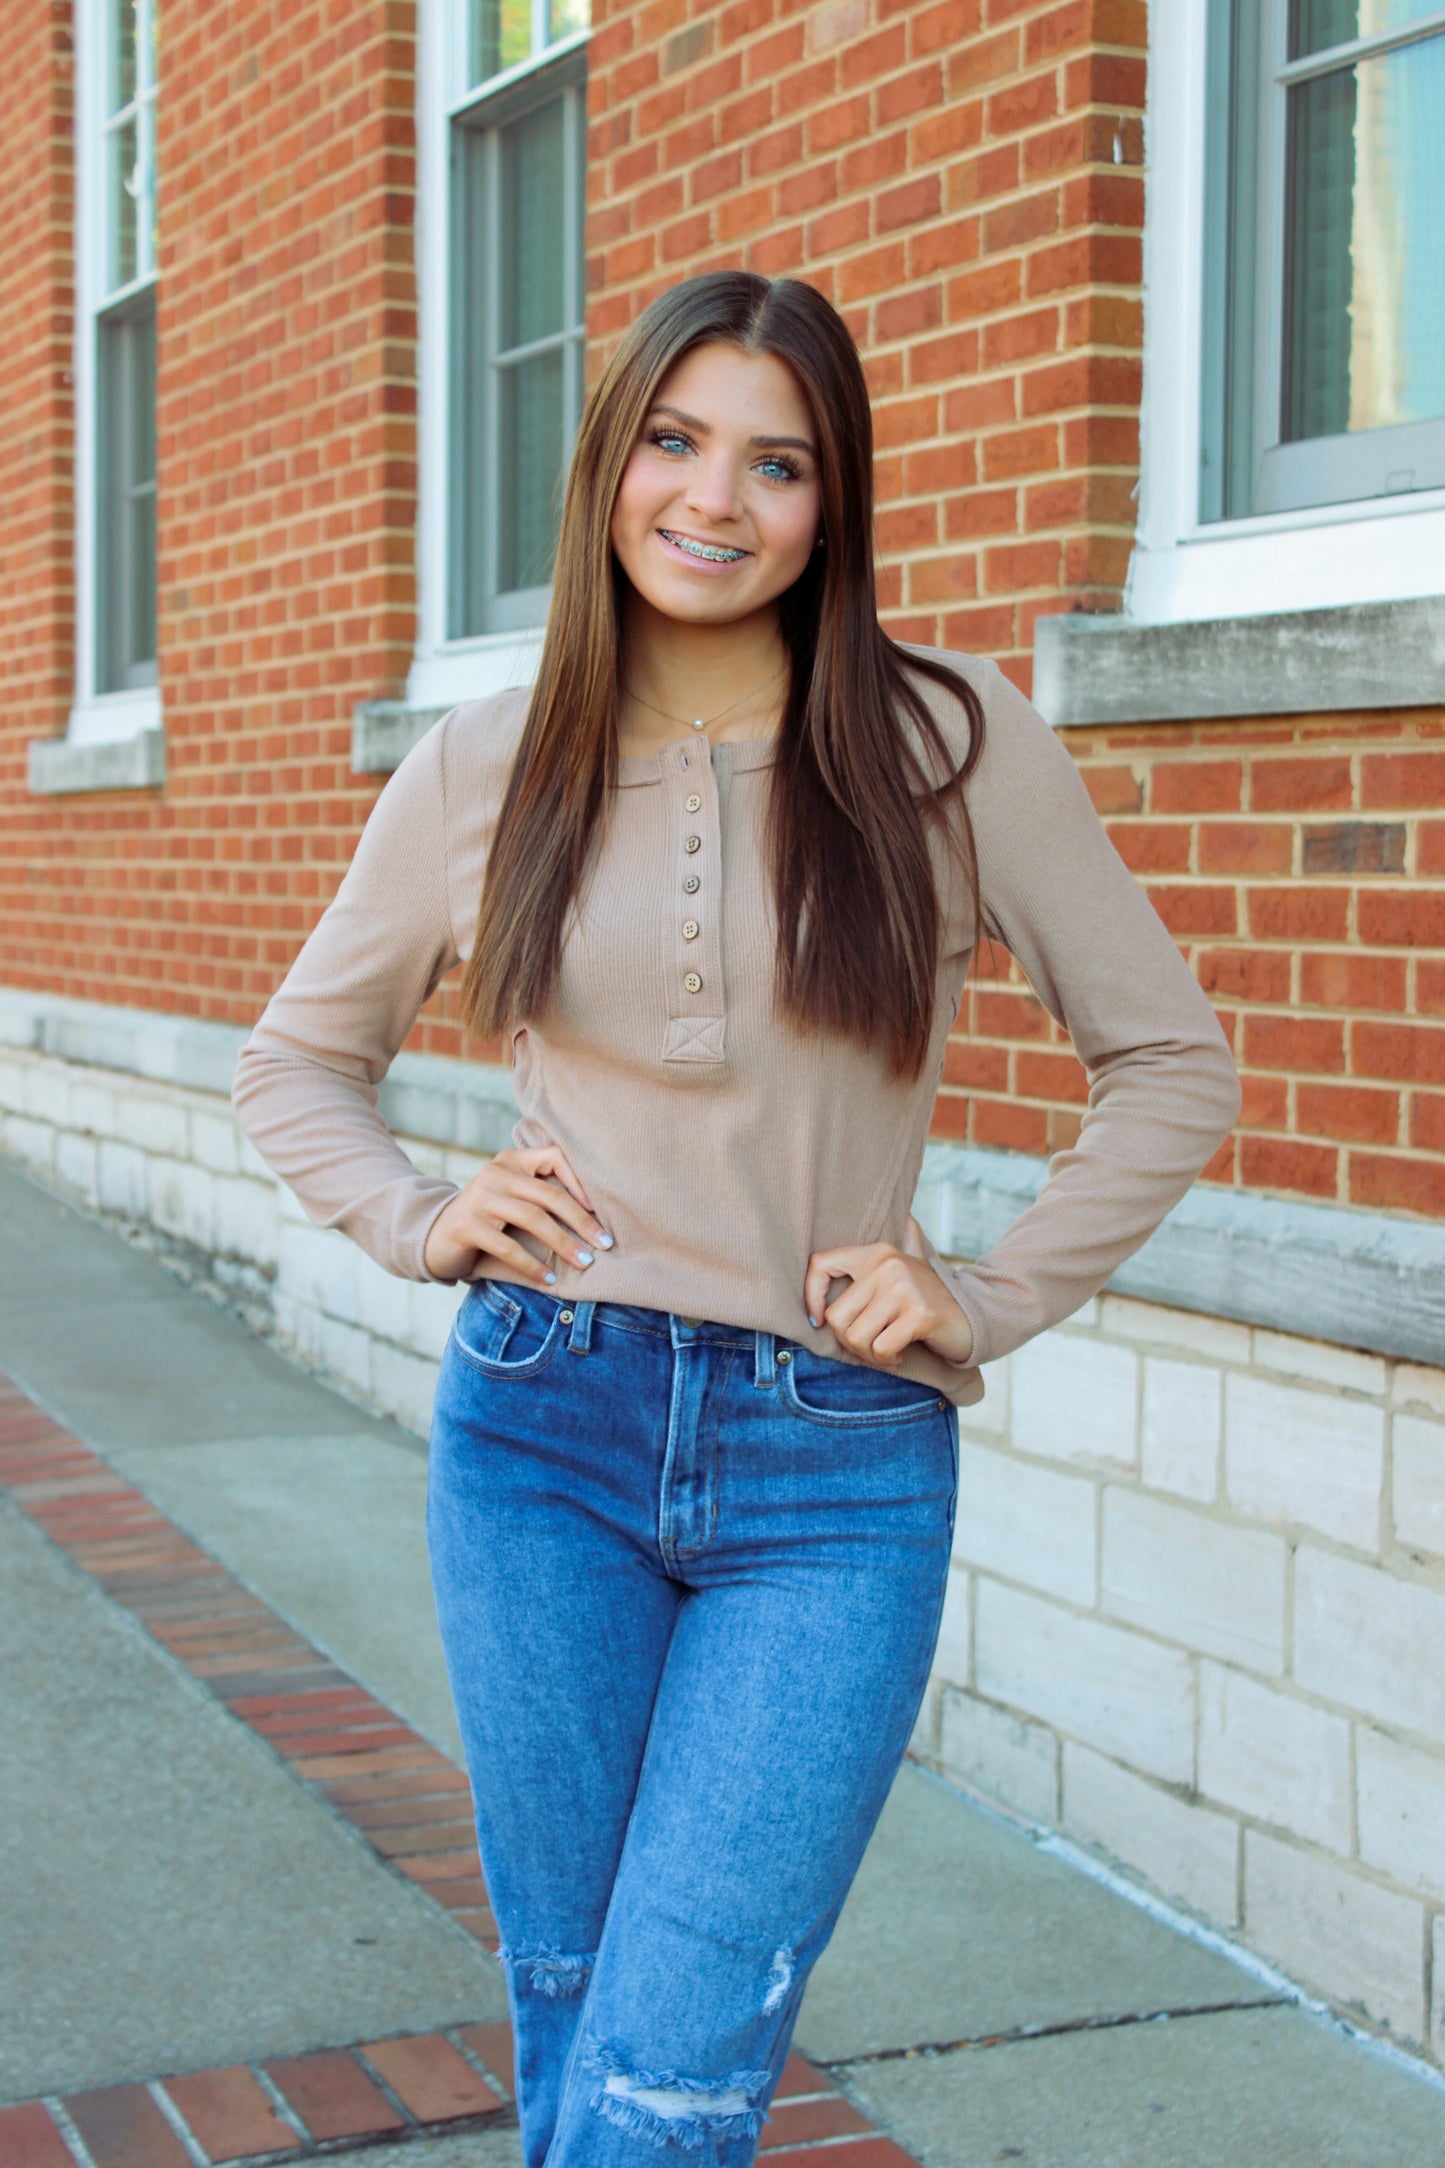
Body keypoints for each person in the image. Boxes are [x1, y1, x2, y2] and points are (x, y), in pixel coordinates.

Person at [231, 269, 1240, 2167]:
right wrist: (419, 1216)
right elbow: (293, 1061)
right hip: (544, 1433)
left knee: (676, 2057)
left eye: (777, 462)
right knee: (574, 2003)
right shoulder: (483, 756)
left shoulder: (950, 740)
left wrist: (989, 1296)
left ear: (832, 502)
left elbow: (1173, 1063)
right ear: (611, 462)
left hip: (832, 1471)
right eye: (676, 442)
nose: (715, 499)